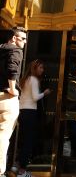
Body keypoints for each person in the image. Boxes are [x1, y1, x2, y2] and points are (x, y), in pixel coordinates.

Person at [17, 59, 51, 177]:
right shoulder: (34, 80)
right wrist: (45, 93)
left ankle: (18, 166)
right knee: (28, 141)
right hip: (30, 112)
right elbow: (36, 97)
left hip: (22, 111)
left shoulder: (25, 79)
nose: (42, 70)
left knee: (23, 139)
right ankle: (22, 170)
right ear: (34, 69)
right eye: (40, 68)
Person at [0, 26, 27, 177]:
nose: (25, 42)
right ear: (14, 38)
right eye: (22, 38)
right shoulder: (16, 50)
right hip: (7, 98)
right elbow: (13, 69)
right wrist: (12, 89)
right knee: (3, 137)